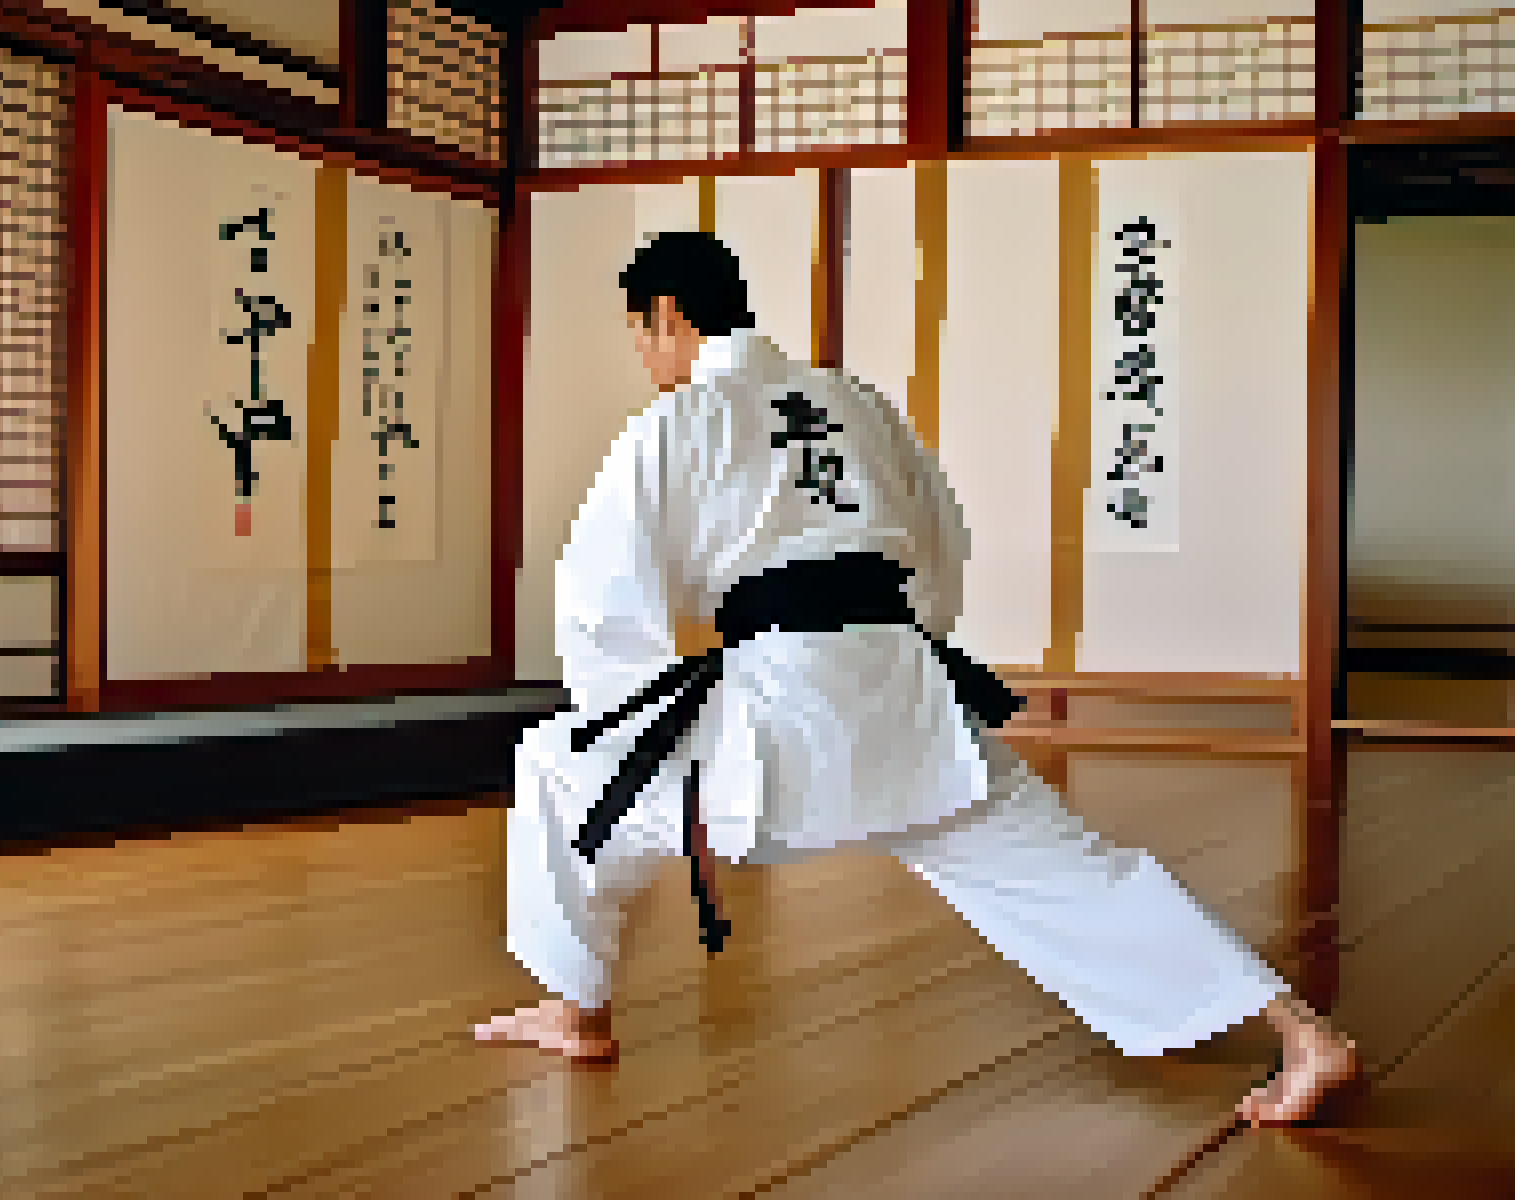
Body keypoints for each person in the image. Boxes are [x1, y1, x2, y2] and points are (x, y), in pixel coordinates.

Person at [473, 232, 1360, 1127]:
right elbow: (939, 545)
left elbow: (602, 595)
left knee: (560, 761)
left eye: (640, 334)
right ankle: (1301, 1033)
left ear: (667, 317)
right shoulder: (853, 402)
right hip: (905, 697)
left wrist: (636, 724)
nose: (644, 357)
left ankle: (578, 1008)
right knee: (1074, 872)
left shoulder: (679, 420)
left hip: (775, 730)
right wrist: (906, 653)